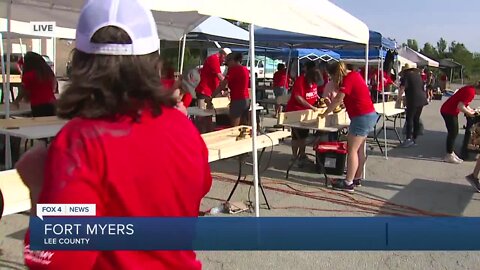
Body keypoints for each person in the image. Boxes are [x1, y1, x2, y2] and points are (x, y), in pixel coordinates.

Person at [19, 0, 212, 269]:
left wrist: (38, 189)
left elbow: (58, 260)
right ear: (153, 61)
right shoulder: (185, 131)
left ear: (81, 62)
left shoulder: (82, 140)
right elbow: (200, 188)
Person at [320, 61, 377, 193]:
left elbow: (338, 99)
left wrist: (325, 113)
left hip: (361, 117)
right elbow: (352, 97)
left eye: (332, 77)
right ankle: (357, 178)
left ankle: (348, 182)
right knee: (360, 150)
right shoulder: (355, 75)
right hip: (368, 115)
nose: (333, 80)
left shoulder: (347, 79)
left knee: (352, 150)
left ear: (336, 74)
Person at [285, 61, 319, 167]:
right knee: (296, 136)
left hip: (306, 113)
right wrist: (311, 107)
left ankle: (303, 155)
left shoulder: (313, 82)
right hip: (295, 112)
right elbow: (298, 97)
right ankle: (294, 158)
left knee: (304, 135)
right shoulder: (301, 80)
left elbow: (314, 94)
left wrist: (319, 100)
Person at [440, 82, 480, 164]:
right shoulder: (471, 92)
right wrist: (471, 114)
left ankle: (451, 153)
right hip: (449, 111)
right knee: (453, 133)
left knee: (453, 132)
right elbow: (460, 106)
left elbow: (465, 104)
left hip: (448, 110)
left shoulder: (469, 88)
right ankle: (449, 155)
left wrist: (471, 110)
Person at [195, 48, 231, 132]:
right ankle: (202, 133)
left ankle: (208, 131)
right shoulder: (213, 59)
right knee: (203, 115)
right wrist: (228, 87)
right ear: (223, 55)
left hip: (209, 91)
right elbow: (220, 76)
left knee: (209, 114)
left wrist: (221, 89)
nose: (224, 62)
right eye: (225, 59)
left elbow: (216, 78)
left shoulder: (216, 61)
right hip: (204, 91)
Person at [13, 51, 57, 117]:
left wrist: (16, 101)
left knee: (39, 123)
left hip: (38, 104)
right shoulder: (47, 72)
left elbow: (23, 91)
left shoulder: (28, 75)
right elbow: (54, 84)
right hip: (51, 102)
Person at [212, 53, 250, 126]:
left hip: (237, 100)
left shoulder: (234, 70)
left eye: (227, 62)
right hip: (246, 99)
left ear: (233, 60)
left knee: (234, 127)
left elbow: (222, 85)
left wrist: (212, 96)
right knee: (244, 126)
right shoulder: (245, 69)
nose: (227, 65)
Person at [397, 64, 428, 148]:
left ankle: (408, 139)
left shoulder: (406, 76)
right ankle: (414, 138)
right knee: (416, 119)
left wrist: (399, 99)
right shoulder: (418, 76)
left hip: (413, 100)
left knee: (409, 119)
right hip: (422, 99)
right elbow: (422, 88)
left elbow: (402, 88)